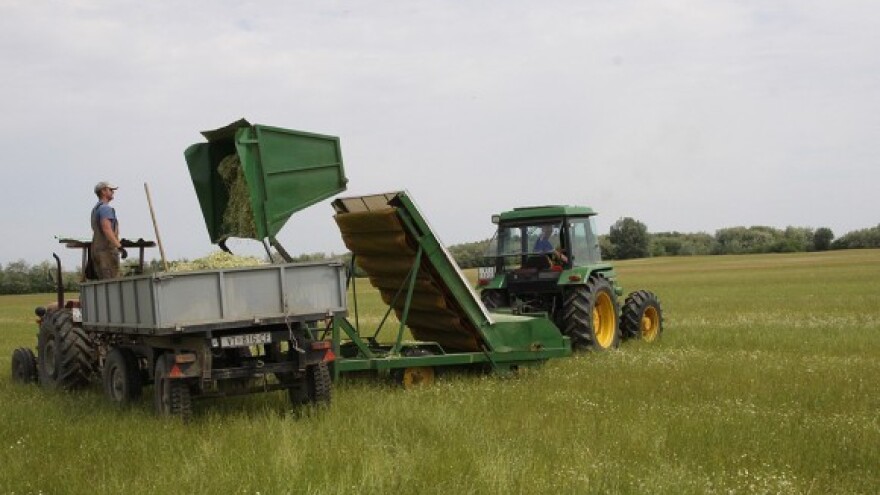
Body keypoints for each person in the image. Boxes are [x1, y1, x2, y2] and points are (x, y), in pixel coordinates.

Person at [90, 181, 124, 279]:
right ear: (103, 191)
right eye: (111, 190)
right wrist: (119, 246)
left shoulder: (95, 209)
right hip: (106, 253)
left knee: (104, 286)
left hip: (97, 251)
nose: (113, 192)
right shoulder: (105, 209)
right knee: (112, 285)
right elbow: (107, 229)